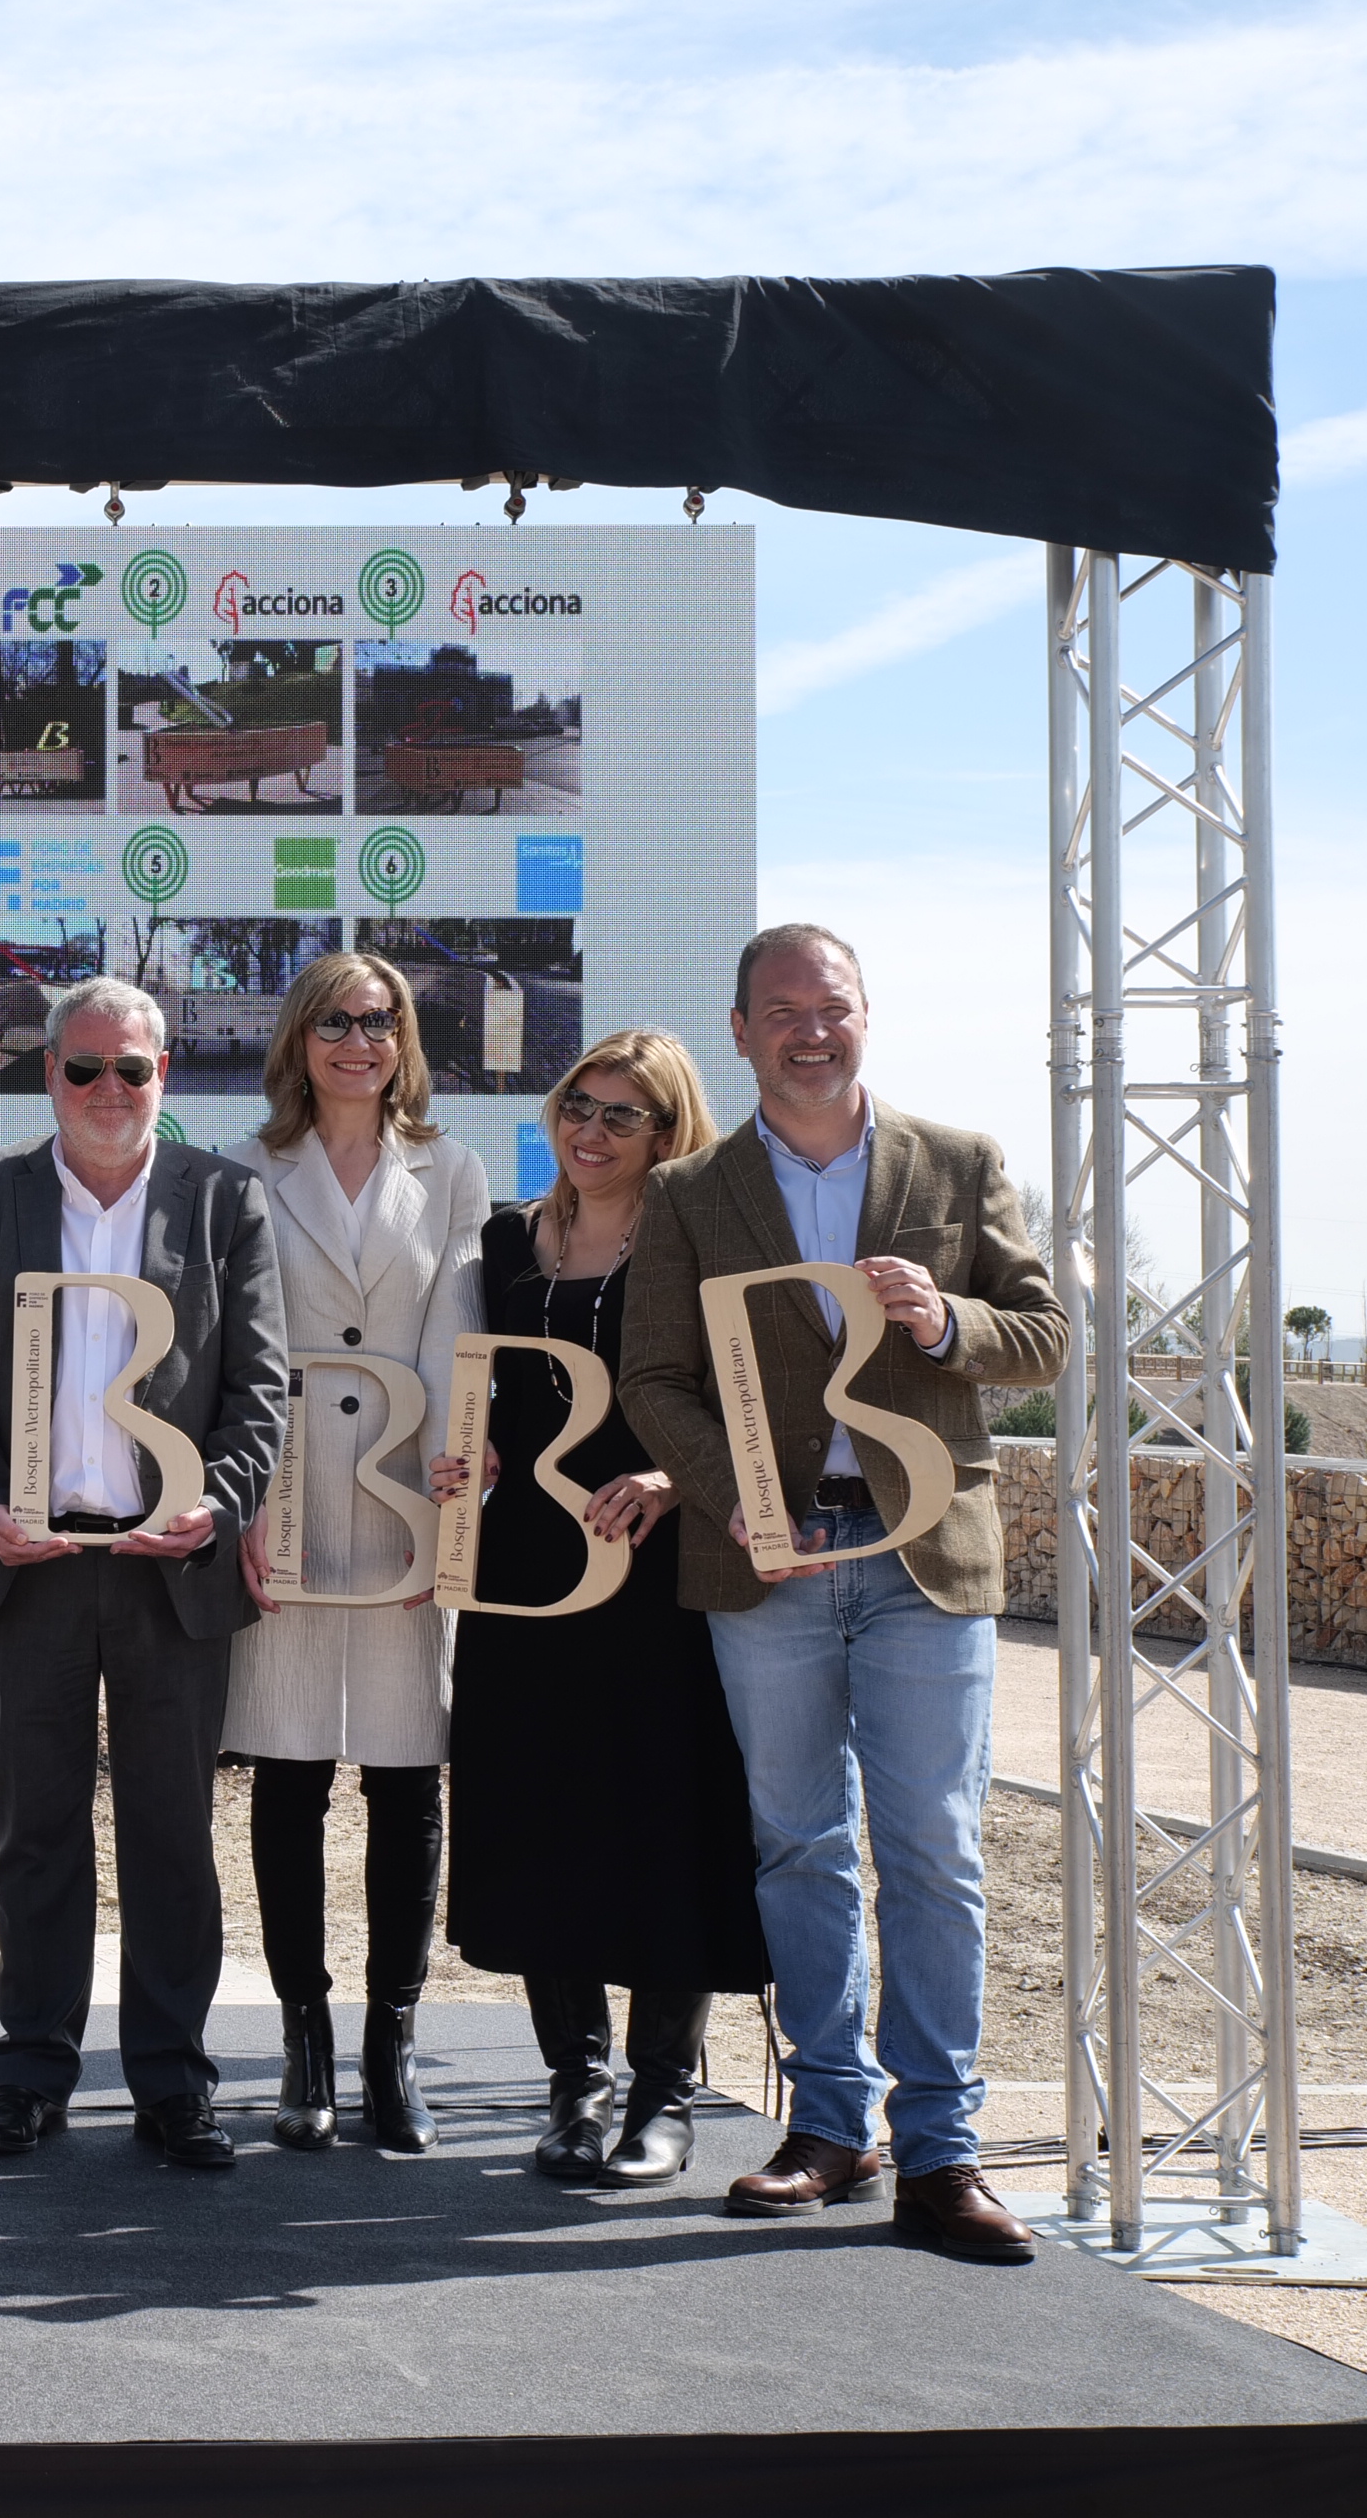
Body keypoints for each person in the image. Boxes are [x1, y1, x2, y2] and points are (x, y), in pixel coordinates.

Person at [619, 925, 1066, 2264]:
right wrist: (730, 1488)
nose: (813, 1031)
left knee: (933, 1849)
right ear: (743, 1030)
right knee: (800, 1847)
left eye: (835, 1007)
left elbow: (1041, 1340)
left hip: (925, 1555)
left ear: (867, 1016)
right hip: (770, 1563)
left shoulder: (962, 1162)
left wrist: (942, 1323)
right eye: (784, 1012)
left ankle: (943, 2153)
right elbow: (652, 1381)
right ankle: (829, 2125)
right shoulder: (693, 1191)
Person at [0, 977, 289, 2169]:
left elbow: (260, 1390)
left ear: (163, 1076)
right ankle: (30, 2072)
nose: (109, 1092)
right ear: (51, 1076)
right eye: (85, 1069)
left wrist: (216, 1504)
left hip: (168, 1570)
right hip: (31, 1567)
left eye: (133, 1069)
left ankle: (175, 2083)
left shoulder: (226, 1196)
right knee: (37, 1831)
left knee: (173, 1835)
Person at [439, 1029, 770, 2187]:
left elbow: (751, 1398)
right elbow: (486, 1399)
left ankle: (664, 2096)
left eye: (621, 1115)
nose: (589, 1129)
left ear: (669, 1133)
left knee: (668, 1821)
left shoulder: (696, 1239)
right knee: (545, 1824)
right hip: (527, 1571)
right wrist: (464, 1456)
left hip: (660, 1575)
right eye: (578, 1103)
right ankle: (575, 2087)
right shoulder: (499, 1242)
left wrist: (681, 1479)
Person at [220, 952, 489, 2157]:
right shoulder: (243, 1167)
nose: (357, 1041)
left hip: (401, 1507)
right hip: (283, 1505)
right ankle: (303, 2044)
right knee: (285, 1777)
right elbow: (231, 1341)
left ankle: (393, 2046)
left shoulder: (452, 1168)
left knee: (401, 1780)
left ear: (404, 1040)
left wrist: (451, 1459)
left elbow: (455, 1328)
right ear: (299, 1036)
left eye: (379, 1021)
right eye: (335, 1020)